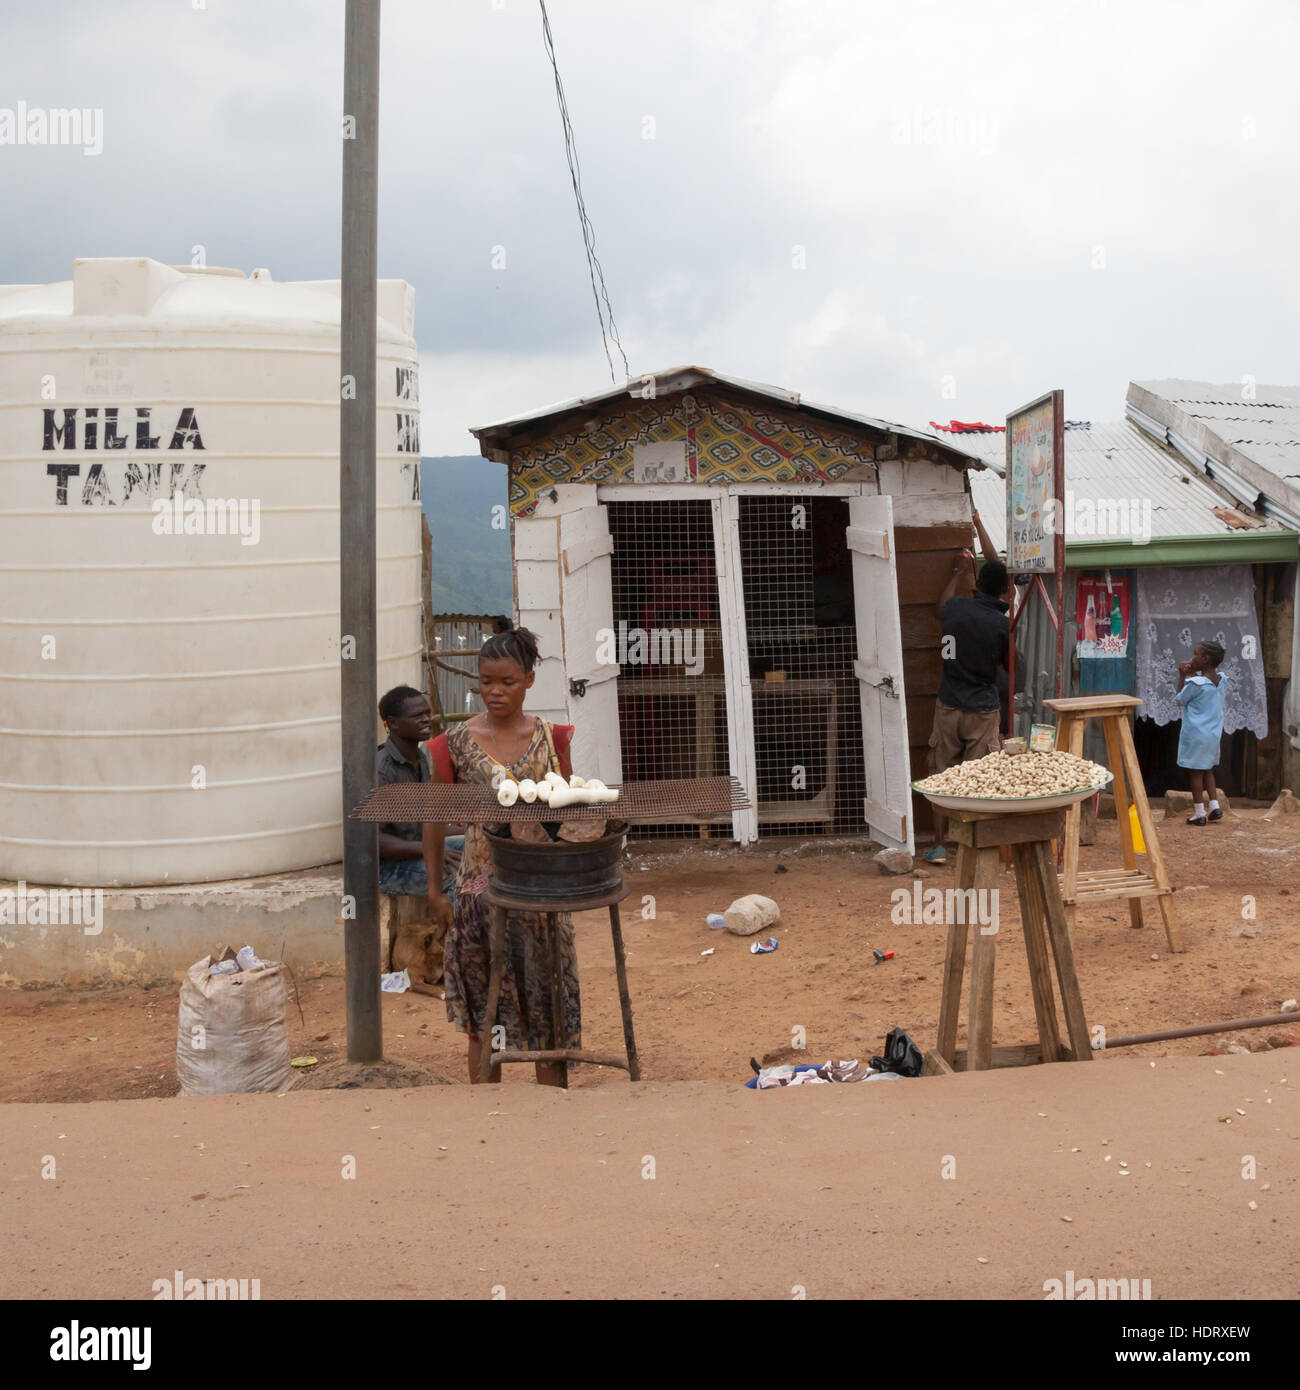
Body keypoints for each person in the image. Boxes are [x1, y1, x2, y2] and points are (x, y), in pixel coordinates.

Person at [422, 627, 580, 1087]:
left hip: (542, 895)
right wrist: (436, 892)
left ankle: (551, 1109)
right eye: (486, 680)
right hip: (477, 895)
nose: (494, 691)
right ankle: (487, 1114)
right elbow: (433, 819)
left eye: (507, 682)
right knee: (483, 1011)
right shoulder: (451, 744)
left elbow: (570, 809)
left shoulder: (553, 739)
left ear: (529, 680)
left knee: (546, 1004)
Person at [924, 509, 1013, 864]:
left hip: (949, 703)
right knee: (977, 777)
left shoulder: (956, 608)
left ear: (976, 585)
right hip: (982, 708)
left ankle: (939, 846)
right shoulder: (1000, 624)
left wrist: (958, 573)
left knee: (941, 773)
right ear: (1006, 591)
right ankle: (973, 846)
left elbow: (940, 605)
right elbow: (1012, 667)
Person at [375, 685, 463, 898]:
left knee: (482, 848)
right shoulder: (381, 770)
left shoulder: (420, 758)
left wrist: (473, 830)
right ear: (393, 723)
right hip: (390, 870)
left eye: (427, 713)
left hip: (418, 852)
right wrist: (428, 848)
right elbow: (373, 840)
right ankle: (454, 930)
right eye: (417, 715)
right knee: (461, 873)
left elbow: (427, 822)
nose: (427, 719)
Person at [1175, 640, 1228, 824]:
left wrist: (1182, 675)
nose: (1192, 657)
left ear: (1204, 659)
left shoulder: (1195, 683)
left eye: (1196, 654)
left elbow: (1180, 699)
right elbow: (1204, 685)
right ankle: (1215, 807)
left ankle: (1199, 813)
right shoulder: (1220, 680)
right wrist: (1193, 674)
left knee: (1196, 774)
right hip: (1213, 734)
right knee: (1208, 770)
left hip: (1197, 735)